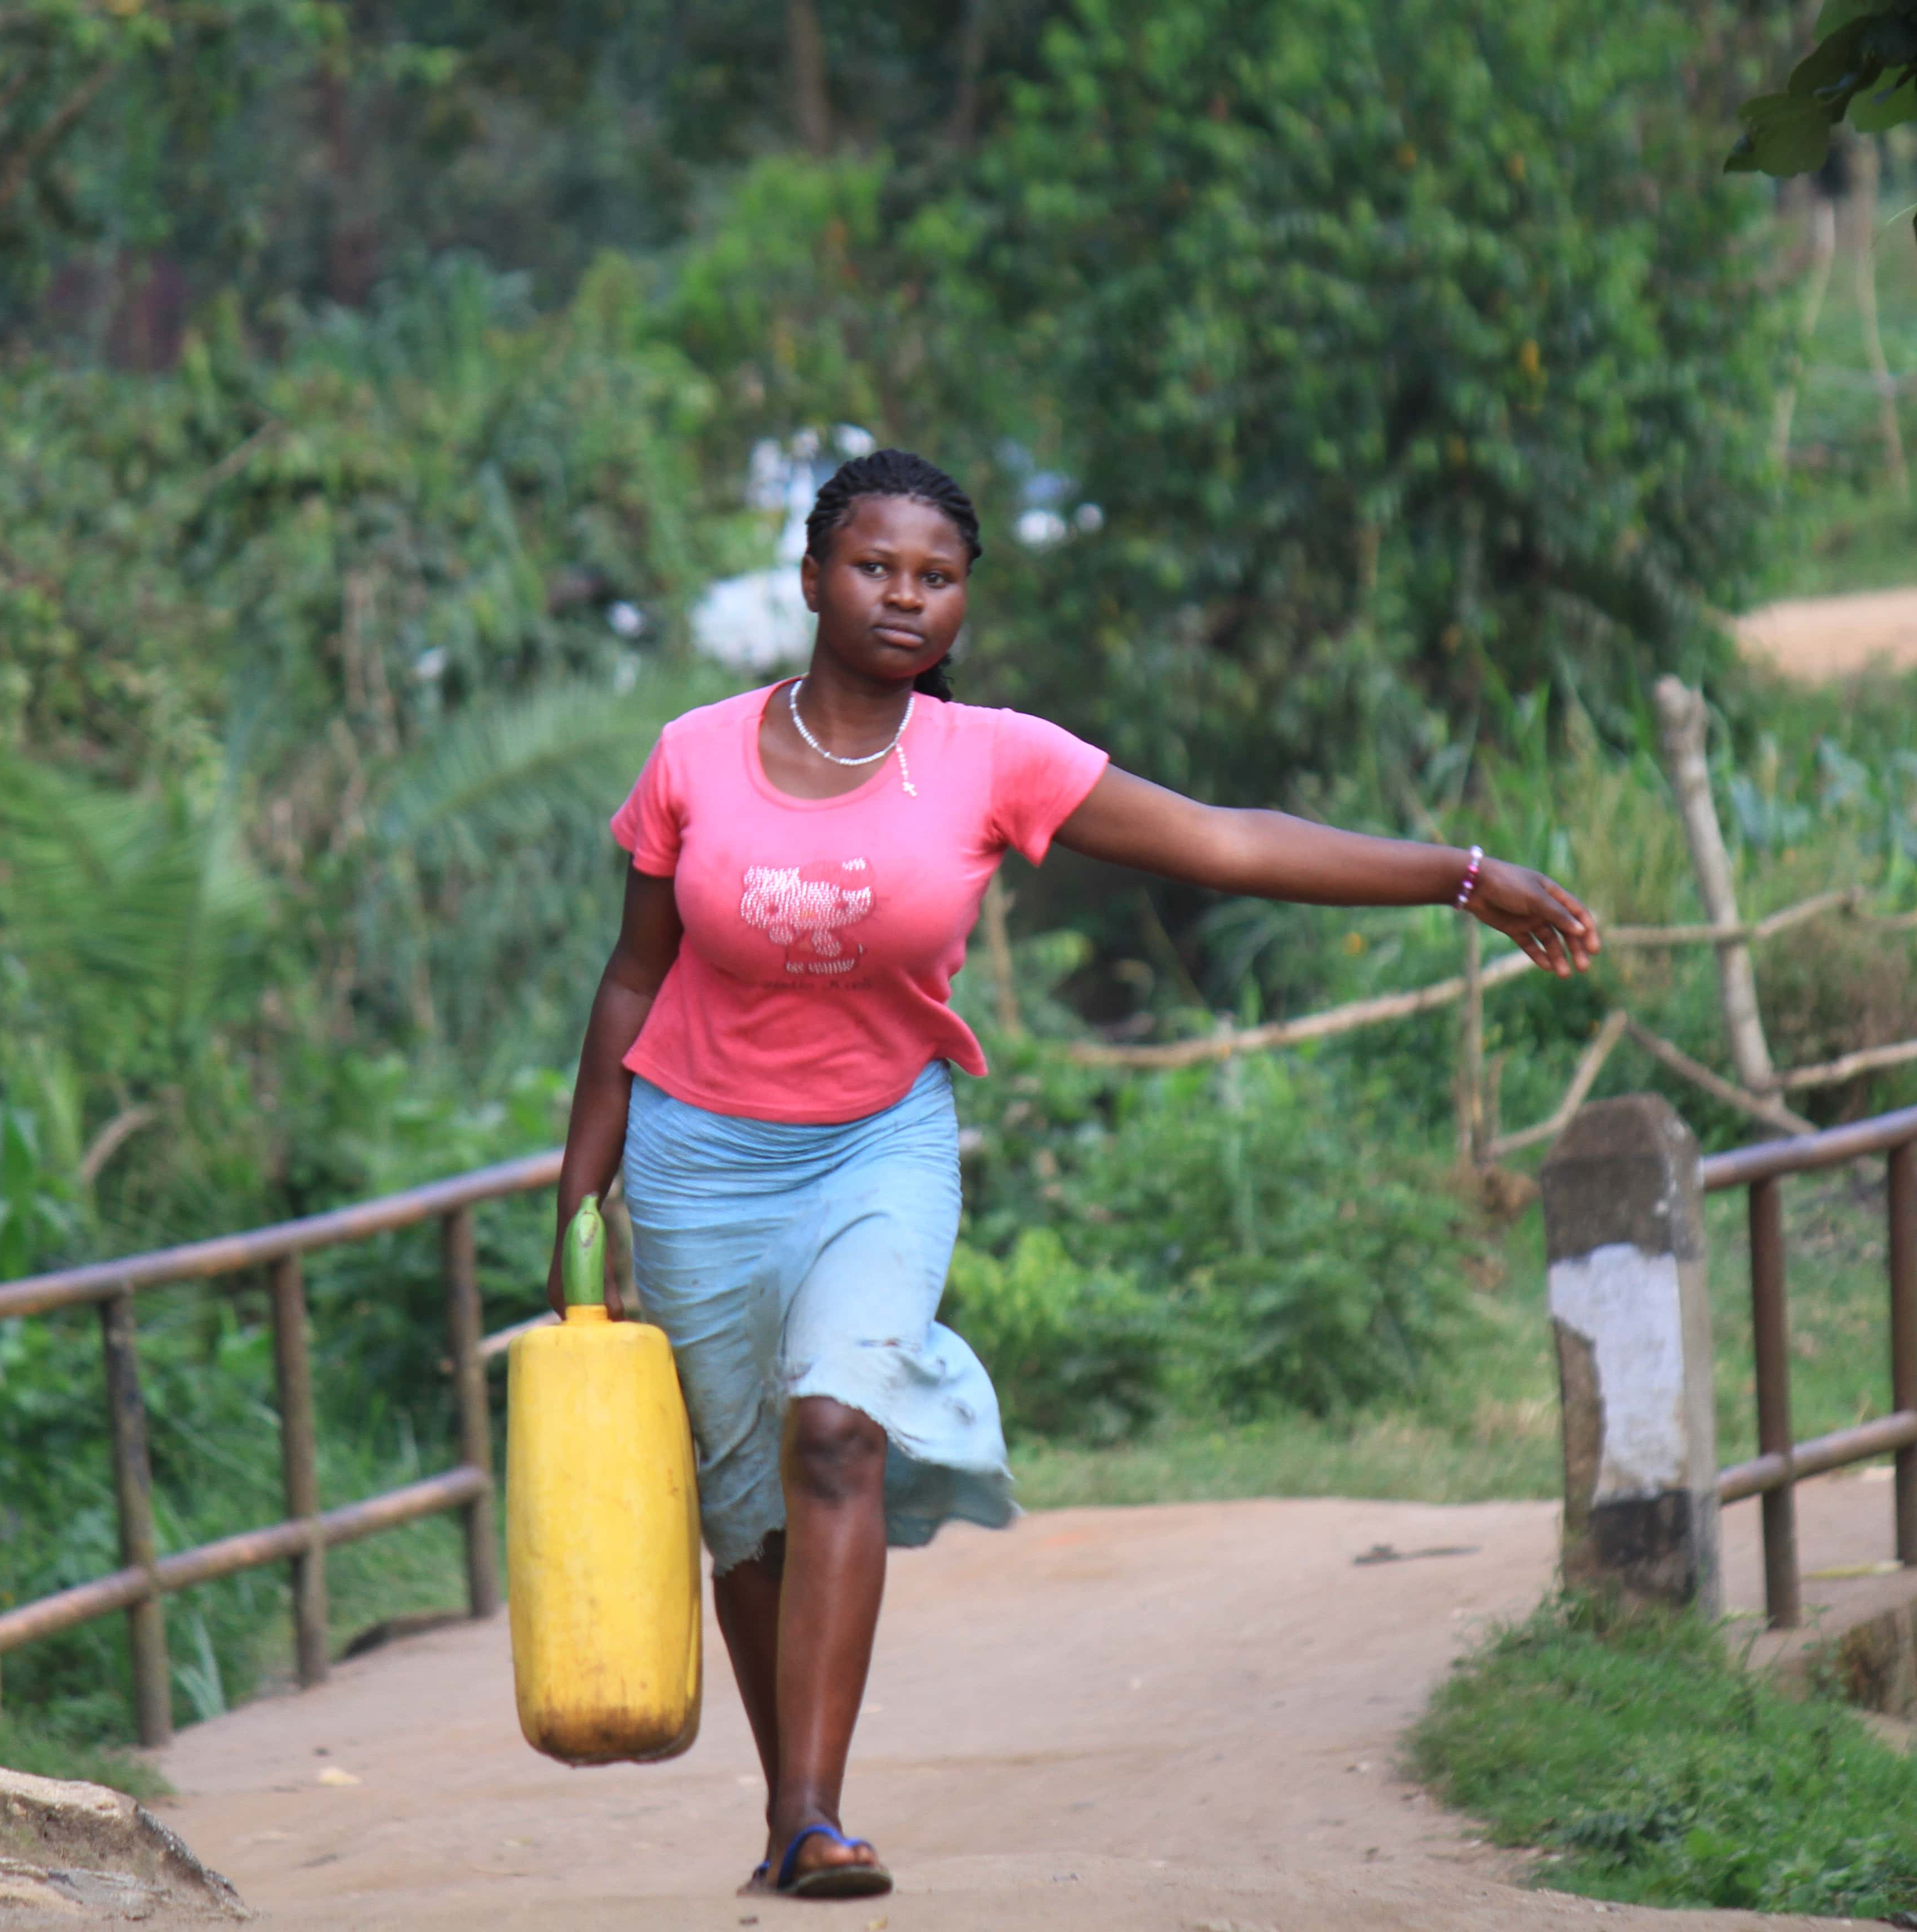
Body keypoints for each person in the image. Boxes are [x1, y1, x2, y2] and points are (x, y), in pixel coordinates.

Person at [548, 448, 1599, 1900]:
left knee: (840, 1432)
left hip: (879, 1148)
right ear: (810, 579)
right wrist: (576, 1199)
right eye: (874, 566)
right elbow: (629, 980)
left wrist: (1463, 876)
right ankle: (786, 1797)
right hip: (695, 1161)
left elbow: (1225, 841)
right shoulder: (693, 755)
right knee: (744, 1509)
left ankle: (810, 1815)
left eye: (937, 576)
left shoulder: (995, 760)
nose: (905, 596)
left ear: (965, 604)